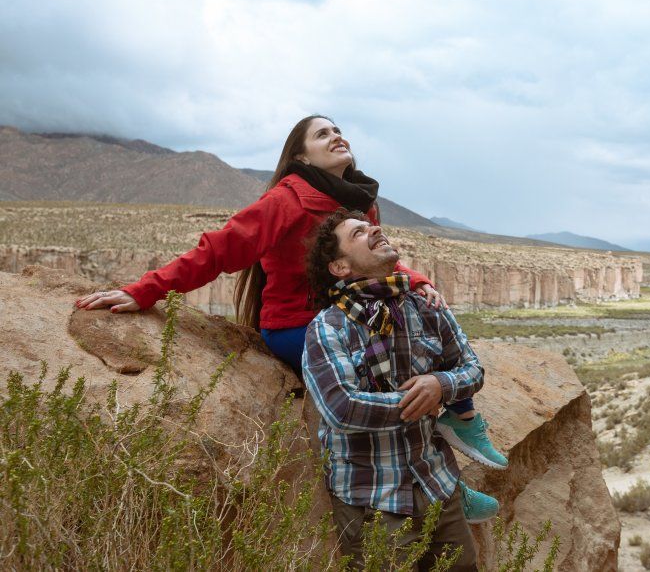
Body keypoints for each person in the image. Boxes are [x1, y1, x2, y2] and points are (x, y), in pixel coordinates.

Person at [73, 115, 505, 516]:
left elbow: (374, 259)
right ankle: (440, 488)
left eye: (338, 130)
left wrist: (418, 280)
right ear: (300, 157)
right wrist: (144, 291)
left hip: (351, 318)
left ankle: (461, 418)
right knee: (386, 372)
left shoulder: (357, 199)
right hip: (297, 327)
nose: (337, 137)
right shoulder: (285, 201)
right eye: (322, 134)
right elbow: (219, 249)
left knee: (423, 321)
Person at [302, 209, 497, 569]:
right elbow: (342, 410)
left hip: (439, 486)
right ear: (340, 267)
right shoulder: (328, 328)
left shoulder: (425, 306)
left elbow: (472, 369)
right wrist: (418, 400)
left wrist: (440, 384)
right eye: (359, 233)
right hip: (372, 499)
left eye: (373, 226)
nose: (375, 229)